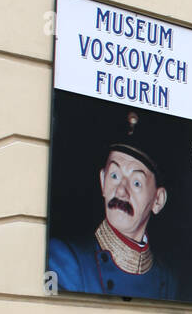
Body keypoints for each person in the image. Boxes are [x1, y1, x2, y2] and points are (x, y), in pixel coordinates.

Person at [48, 110, 181, 299]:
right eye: (115, 176)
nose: (120, 191)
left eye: (136, 183)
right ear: (102, 182)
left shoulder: (169, 281)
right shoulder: (66, 261)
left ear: (158, 200)